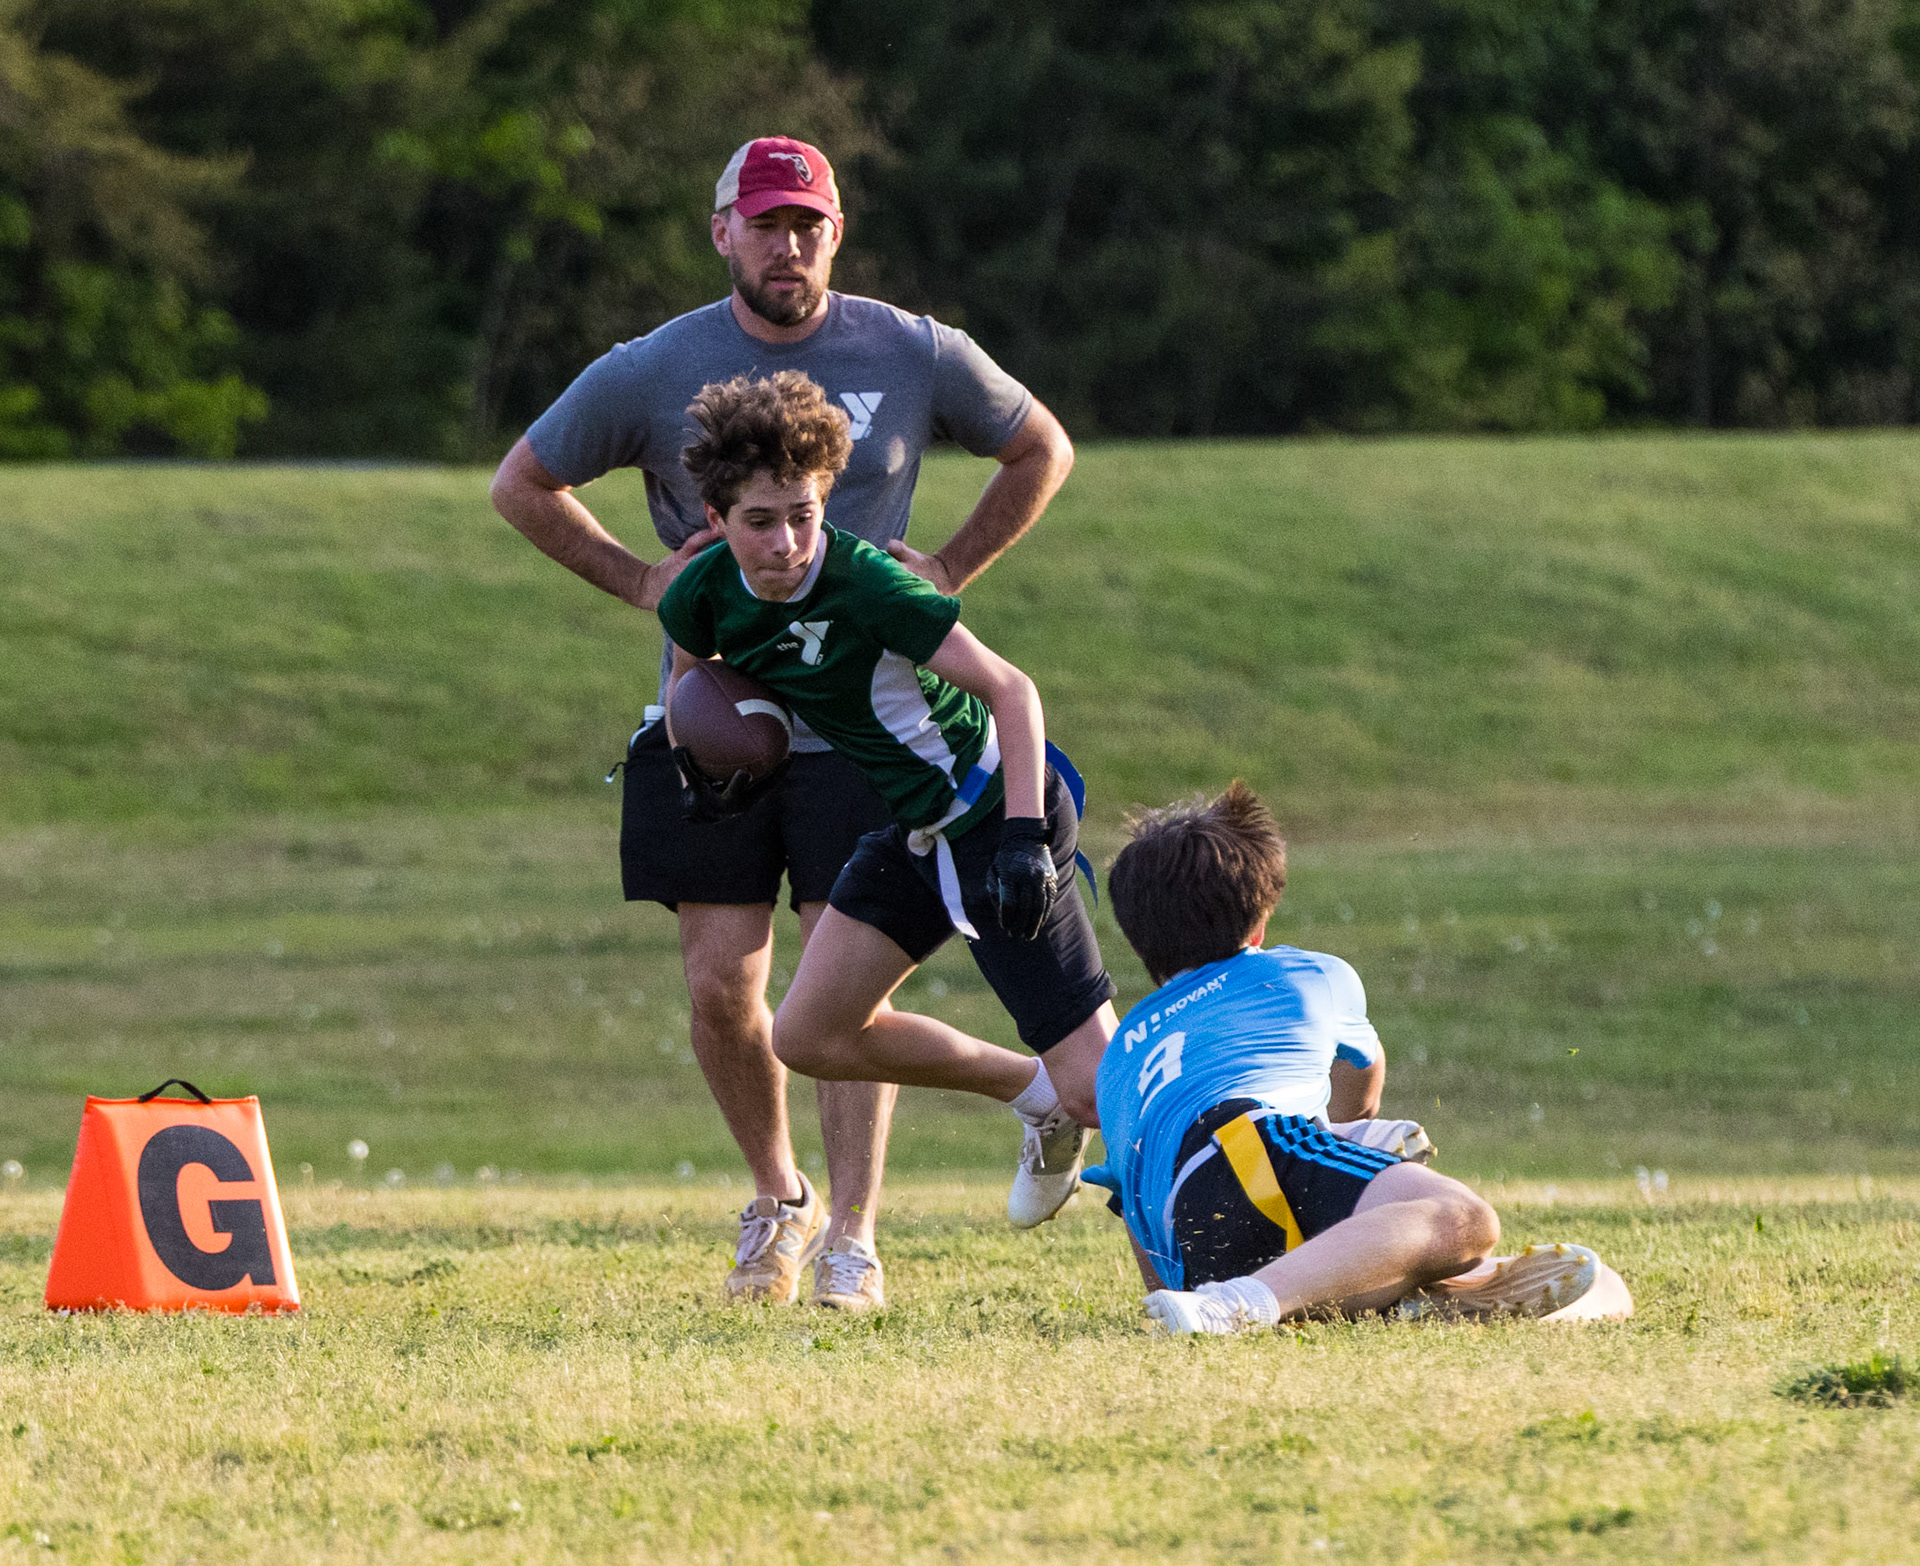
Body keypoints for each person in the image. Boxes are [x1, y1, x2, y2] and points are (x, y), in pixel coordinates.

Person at [489, 136, 1076, 1312]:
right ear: (724, 233)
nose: (788, 245)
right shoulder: (656, 366)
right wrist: (641, 581)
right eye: (765, 224)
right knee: (721, 985)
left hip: (865, 732)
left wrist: (948, 568)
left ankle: (855, 1235)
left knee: (839, 987)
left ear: (837, 233)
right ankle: (779, 1200)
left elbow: (1039, 447)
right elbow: (522, 483)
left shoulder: (909, 348)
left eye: (808, 224)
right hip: (724, 720)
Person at [657, 371, 1117, 1301]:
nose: (787, 544)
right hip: (914, 831)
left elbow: (1014, 692)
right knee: (808, 1034)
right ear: (713, 518)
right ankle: (1033, 1097)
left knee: (1101, 1090)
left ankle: (1296, 1151)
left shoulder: (867, 583)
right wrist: (696, 763)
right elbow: (688, 674)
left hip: (995, 810)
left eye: (804, 515)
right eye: (760, 522)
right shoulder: (701, 591)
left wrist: (1024, 837)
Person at [1084, 782, 1606, 1334]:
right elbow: (1364, 1076)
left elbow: (1136, 1209)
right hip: (1249, 1145)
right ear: (1260, 924)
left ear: (1136, 944)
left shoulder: (1117, 1057)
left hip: (1191, 1249)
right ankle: (1244, 1302)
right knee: (1465, 1221)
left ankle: (1342, 1299)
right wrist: (1351, 1134)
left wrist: (1180, 1298)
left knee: (1599, 1283)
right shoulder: (1304, 974)